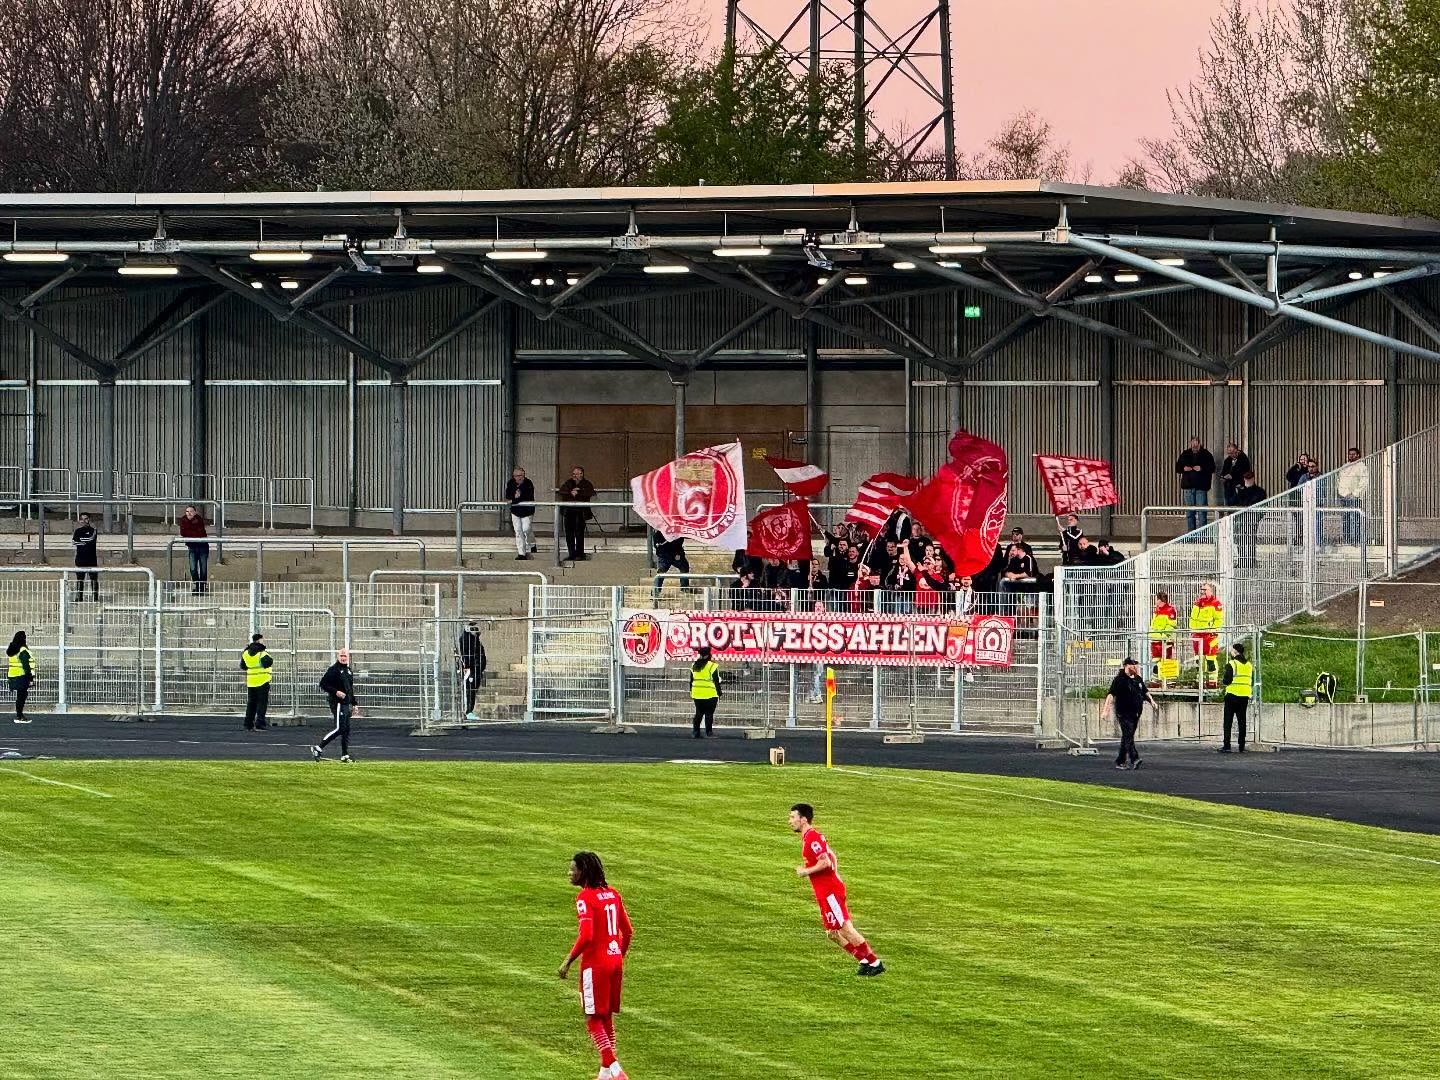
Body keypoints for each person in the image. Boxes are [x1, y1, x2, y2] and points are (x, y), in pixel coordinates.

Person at [558, 851, 633, 1080]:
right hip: (614, 961)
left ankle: (616, 1070)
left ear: (584, 872)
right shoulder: (613, 894)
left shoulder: (585, 898)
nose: (569, 873)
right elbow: (628, 931)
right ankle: (604, 1074)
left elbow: (587, 936)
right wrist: (617, 955)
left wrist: (567, 961)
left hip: (595, 965)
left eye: (573, 869)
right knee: (606, 1016)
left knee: (592, 1018)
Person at [788, 803, 884, 976]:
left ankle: (875, 963)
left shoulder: (812, 837)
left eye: (792, 817)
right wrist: (835, 873)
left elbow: (825, 861)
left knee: (845, 928)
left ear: (803, 819)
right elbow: (832, 856)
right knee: (832, 933)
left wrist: (805, 871)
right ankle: (863, 960)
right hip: (825, 892)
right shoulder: (809, 838)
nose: (790, 821)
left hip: (830, 892)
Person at [1101, 657, 1157, 769]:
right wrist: (1105, 710)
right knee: (1128, 734)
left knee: (1128, 736)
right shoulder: (1120, 679)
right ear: (1126, 665)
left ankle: (1127, 760)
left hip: (1135, 713)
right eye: (1133, 664)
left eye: (1136, 664)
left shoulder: (1138, 679)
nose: (1135, 666)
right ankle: (1128, 759)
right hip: (1123, 712)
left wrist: (1152, 701)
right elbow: (1111, 695)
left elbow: (1145, 692)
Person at [311, 649, 360, 762]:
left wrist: (354, 704)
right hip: (337, 703)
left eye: (345, 656)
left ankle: (344, 755)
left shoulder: (348, 671)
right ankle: (318, 748)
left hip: (345, 703)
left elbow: (349, 689)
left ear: (348, 657)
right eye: (341, 656)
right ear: (338, 656)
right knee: (340, 728)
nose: (343, 658)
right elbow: (323, 684)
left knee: (346, 729)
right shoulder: (333, 670)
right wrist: (336, 692)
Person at [1176, 435, 1216, 532]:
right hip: (1188, 487)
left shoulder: (1206, 454)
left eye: (1196, 444)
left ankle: (1202, 535)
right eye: (1192, 444)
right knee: (1190, 513)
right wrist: (1183, 469)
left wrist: (1202, 468)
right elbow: (1177, 468)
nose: (1194, 446)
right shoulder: (1185, 454)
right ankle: (1191, 534)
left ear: (1199, 444)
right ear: (1190, 443)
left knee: (1202, 512)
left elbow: (1213, 468)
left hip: (1201, 487)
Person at [1218, 642, 1253, 753]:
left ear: (1235, 652)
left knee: (1228, 721)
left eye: (1231, 650)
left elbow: (1227, 680)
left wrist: (1222, 682)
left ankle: (1227, 746)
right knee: (1242, 721)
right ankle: (1241, 746)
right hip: (1244, 696)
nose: (1230, 652)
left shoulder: (1232, 664)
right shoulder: (1249, 665)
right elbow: (1250, 681)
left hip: (1232, 695)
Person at [557, 466, 596, 562]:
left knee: (579, 533)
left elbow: (590, 493)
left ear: (581, 474)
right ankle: (571, 554)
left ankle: (580, 554)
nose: (574, 476)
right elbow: (562, 491)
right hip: (569, 512)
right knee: (569, 534)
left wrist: (578, 492)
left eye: (576, 474)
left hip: (580, 512)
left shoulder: (587, 484)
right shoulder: (568, 482)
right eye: (573, 474)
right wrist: (571, 492)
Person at [1190, 582, 1224, 686]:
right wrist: (1192, 630)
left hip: (1209, 635)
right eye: (1202, 589)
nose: (1202, 591)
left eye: (1205, 589)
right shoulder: (1197, 602)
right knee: (1198, 659)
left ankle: (1212, 681)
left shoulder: (1216, 603)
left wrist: (1213, 630)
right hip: (1197, 634)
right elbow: (1192, 618)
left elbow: (1219, 619)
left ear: (1211, 591)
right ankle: (1199, 680)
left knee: (1210, 658)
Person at [239, 632, 273, 731]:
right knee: (262, 703)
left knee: (251, 704)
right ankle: (260, 723)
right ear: (260, 640)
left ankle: (248, 724)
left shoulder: (245, 653)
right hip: (263, 681)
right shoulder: (263, 653)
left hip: (251, 681)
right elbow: (268, 663)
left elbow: (243, 666)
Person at [1336, 446, 1369, 545]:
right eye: (1350, 454)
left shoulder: (1361, 466)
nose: (1351, 456)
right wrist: (1340, 492)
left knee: (1356, 518)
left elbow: (1364, 482)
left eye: (1353, 454)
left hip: (1354, 497)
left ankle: (1357, 540)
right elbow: (1339, 480)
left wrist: (1355, 494)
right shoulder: (1344, 466)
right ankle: (1347, 539)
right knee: (1345, 519)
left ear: (1358, 455)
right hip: (1343, 496)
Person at [1232, 472, 1267, 567]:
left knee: (1250, 540)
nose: (1247, 481)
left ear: (1253, 479)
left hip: (1252, 518)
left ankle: (1251, 561)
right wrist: (1239, 492)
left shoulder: (1259, 491)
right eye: (1246, 479)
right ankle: (1241, 560)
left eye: (1249, 479)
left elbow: (1258, 505)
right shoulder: (1240, 490)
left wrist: (1257, 518)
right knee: (1239, 540)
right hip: (1240, 518)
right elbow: (1234, 503)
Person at [456, 621, 486, 722]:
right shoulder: (467, 640)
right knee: (469, 690)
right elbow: (468, 656)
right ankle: (467, 711)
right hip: (471, 669)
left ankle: (469, 711)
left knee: (472, 691)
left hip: (476, 669)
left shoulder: (474, 640)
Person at [505, 467, 537, 560]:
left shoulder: (528, 483)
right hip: (515, 511)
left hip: (527, 511)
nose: (517, 478)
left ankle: (532, 544)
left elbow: (526, 497)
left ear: (523, 475)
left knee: (526, 529)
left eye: (519, 476)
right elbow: (508, 495)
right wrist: (515, 498)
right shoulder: (511, 483)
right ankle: (521, 553)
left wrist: (514, 499)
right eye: (515, 476)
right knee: (518, 531)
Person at [689, 644, 721, 738]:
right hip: (710, 694)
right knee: (709, 714)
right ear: (708, 655)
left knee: (698, 713)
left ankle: (696, 732)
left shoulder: (694, 665)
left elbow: (691, 680)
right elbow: (716, 681)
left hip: (697, 693)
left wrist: (691, 691)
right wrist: (719, 692)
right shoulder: (712, 666)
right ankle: (709, 732)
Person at [179, 505, 210, 593]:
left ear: (195, 512)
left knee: (203, 569)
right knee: (193, 568)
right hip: (192, 547)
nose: (189, 513)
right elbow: (183, 533)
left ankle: (202, 587)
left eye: (191, 511)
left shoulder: (199, 520)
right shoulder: (183, 520)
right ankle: (196, 585)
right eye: (187, 511)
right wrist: (191, 533)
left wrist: (190, 533)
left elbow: (199, 533)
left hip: (203, 547)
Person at [651, 531, 690, 600]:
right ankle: (655, 592)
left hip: (674, 555)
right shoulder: (659, 534)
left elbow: (679, 543)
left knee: (684, 567)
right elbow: (657, 546)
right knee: (661, 573)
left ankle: (684, 588)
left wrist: (678, 553)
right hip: (664, 556)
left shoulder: (677, 533)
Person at [1148, 592, 1177, 684]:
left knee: (1167, 659)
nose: (1155, 601)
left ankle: (1168, 680)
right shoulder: (1157, 610)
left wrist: (1164, 637)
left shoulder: (1170, 610)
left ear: (1160, 600)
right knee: (1156, 660)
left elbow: (1171, 626)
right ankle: (1156, 680)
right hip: (1155, 640)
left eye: (1156, 599)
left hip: (1165, 641)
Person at [7, 630, 35, 724]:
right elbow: (26, 665)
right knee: (22, 696)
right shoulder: (22, 650)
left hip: (13, 676)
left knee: (20, 696)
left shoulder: (12, 649)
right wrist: (30, 678)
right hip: (22, 676)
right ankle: (20, 716)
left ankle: (19, 715)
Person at [71, 512, 100, 601]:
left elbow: (91, 539)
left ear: (89, 520)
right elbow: (74, 542)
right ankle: (79, 597)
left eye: (86, 519)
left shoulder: (93, 530)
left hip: (91, 559)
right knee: (80, 579)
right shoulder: (77, 531)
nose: (84, 521)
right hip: (80, 559)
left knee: (94, 579)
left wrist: (81, 541)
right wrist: (84, 542)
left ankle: (95, 598)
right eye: (82, 519)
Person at [1219, 440, 1252, 506]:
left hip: (1239, 487)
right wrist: (1223, 477)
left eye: (1232, 452)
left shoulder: (1243, 459)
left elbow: (1246, 474)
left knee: (1239, 507)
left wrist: (1233, 477)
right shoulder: (1227, 460)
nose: (1231, 455)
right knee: (1229, 507)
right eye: (1229, 453)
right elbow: (1223, 472)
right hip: (1229, 488)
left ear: (1236, 450)